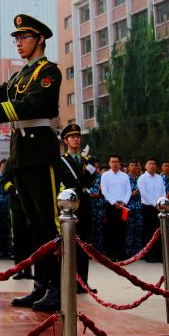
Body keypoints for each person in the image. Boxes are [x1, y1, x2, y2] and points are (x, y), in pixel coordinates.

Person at [0, 13, 62, 312]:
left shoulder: (49, 72)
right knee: (33, 225)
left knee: (48, 222)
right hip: (21, 151)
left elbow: (34, 104)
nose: (19, 43)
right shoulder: (22, 75)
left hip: (40, 150)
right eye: (17, 39)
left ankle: (58, 288)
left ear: (40, 39)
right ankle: (41, 286)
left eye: (24, 37)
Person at [54, 123, 97, 289]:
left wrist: (85, 178)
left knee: (84, 243)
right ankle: (69, 281)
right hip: (69, 205)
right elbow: (71, 182)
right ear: (66, 140)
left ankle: (83, 282)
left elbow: (89, 181)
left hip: (84, 205)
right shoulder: (61, 161)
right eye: (72, 137)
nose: (76, 139)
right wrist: (83, 181)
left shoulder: (86, 160)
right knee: (69, 244)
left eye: (78, 136)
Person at [100, 154, 131, 261]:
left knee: (122, 229)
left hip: (123, 206)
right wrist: (114, 203)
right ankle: (112, 254)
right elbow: (104, 191)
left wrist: (124, 202)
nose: (114, 164)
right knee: (111, 230)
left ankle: (122, 254)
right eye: (112, 162)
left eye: (116, 162)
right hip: (111, 206)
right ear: (109, 163)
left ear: (119, 163)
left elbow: (128, 191)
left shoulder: (125, 176)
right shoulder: (105, 176)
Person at [136, 158, 166, 263]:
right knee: (148, 231)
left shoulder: (159, 178)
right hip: (148, 207)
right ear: (145, 166)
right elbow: (144, 194)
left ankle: (159, 255)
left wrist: (162, 203)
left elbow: (163, 191)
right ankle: (149, 255)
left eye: (154, 164)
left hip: (159, 207)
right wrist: (155, 204)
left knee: (160, 231)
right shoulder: (142, 178)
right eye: (149, 163)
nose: (152, 165)